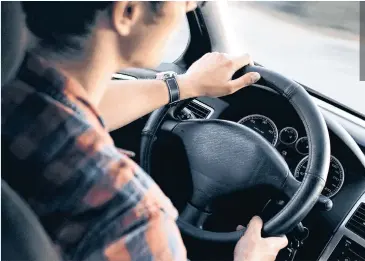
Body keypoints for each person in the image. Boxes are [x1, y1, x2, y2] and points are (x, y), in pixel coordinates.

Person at [1, 2, 288, 261]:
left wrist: (185, 85)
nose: (189, 7)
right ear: (127, 12)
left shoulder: (13, 91)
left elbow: (69, 106)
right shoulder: (130, 219)